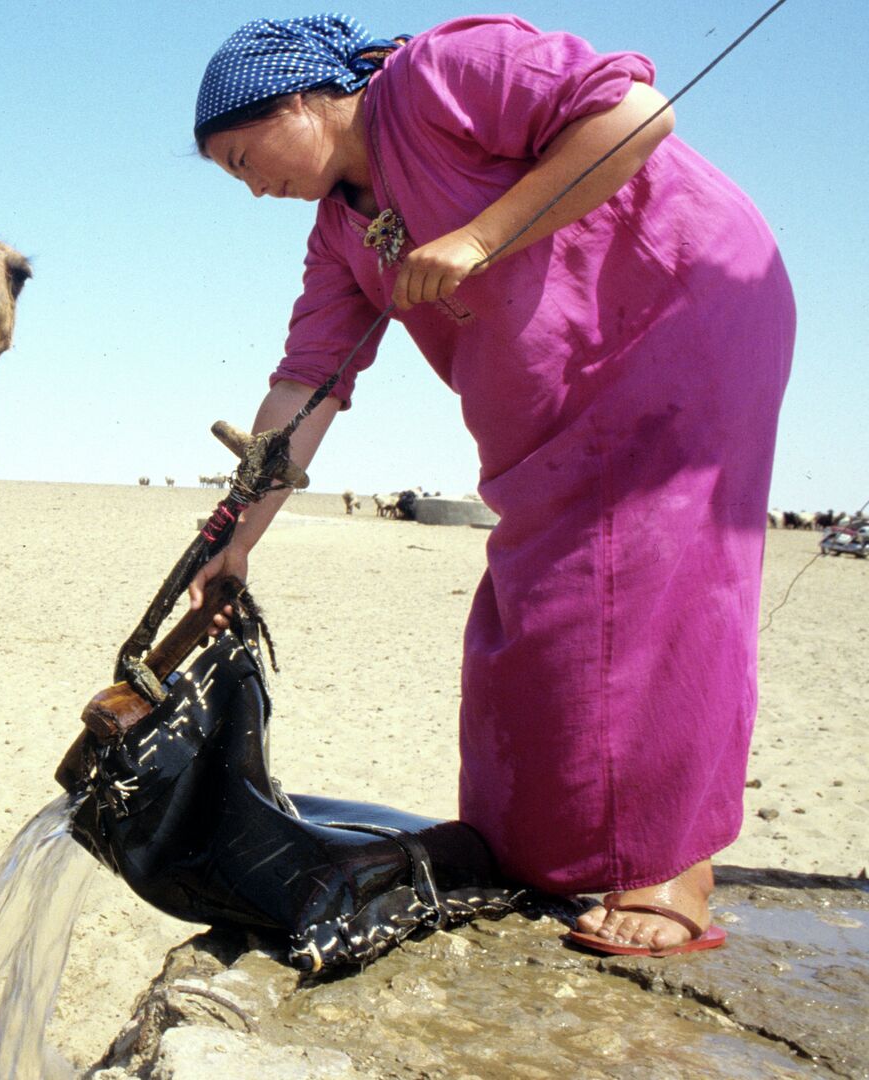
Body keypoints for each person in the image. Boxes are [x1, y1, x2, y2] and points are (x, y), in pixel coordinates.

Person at [182, 14, 794, 956]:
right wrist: (234, 539)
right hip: (551, 414)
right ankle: (532, 851)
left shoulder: (439, 75)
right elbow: (306, 385)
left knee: (657, 581)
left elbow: (637, 113)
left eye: (242, 155)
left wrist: (477, 237)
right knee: (533, 615)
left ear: (301, 100)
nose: (250, 184)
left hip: (682, 309)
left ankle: (673, 868)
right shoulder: (340, 233)